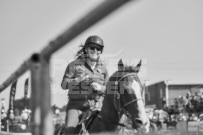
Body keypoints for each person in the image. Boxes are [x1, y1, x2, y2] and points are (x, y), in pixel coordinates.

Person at [61, 35, 109, 134]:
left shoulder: (103, 69)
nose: (95, 50)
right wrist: (77, 80)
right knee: (69, 130)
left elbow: (109, 89)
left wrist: (100, 87)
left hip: (96, 107)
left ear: (101, 51)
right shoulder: (73, 65)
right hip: (76, 107)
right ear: (86, 49)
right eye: (92, 47)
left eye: (98, 49)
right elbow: (64, 85)